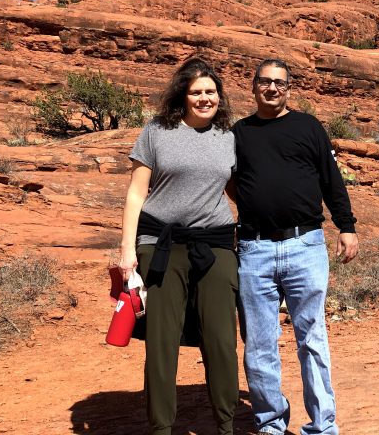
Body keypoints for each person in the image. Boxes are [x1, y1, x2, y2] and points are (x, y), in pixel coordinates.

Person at [232, 58, 359, 435]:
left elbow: (330, 179)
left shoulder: (308, 126)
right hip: (255, 249)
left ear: (289, 88)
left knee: (313, 339)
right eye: (265, 82)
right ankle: (270, 424)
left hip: (305, 245)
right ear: (253, 86)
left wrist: (346, 226)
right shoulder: (239, 133)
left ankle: (322, 426)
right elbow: (232, 182)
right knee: (258, 344)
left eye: (280, 83)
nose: (272, 88)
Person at [118, 56, 239, 435]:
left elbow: (240, 191)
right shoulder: (157, 131)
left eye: (211, 92)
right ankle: (161, 428)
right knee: (161, 342)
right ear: (183, 96)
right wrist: (126, 250)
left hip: (216, 245)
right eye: (196, 92)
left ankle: (227, 425)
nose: (205, 98)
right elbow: (137, 192)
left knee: (221, 340)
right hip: (161, 245)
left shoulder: (230, 137)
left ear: (220, 96)